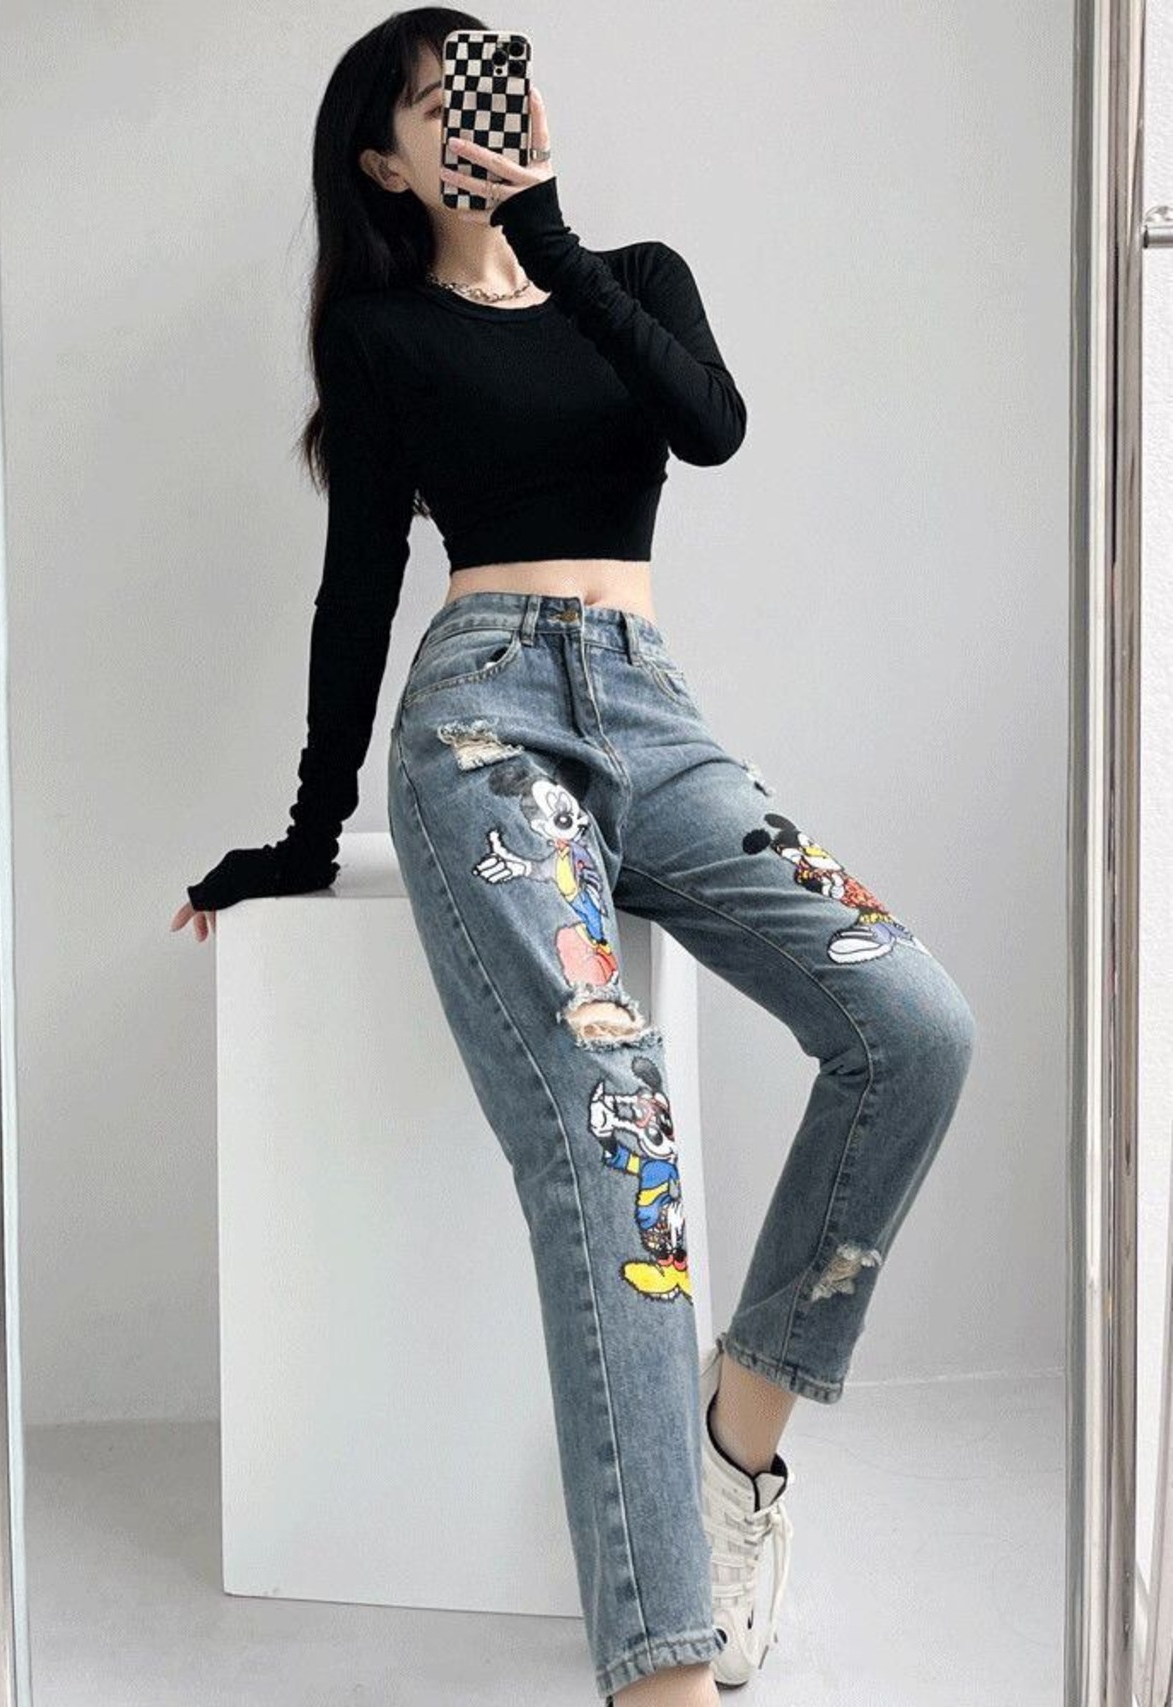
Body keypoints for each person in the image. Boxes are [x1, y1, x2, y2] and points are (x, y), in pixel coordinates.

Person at [169, 13, 978, 1705]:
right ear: (386, 161)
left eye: (495, 79)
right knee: (618, 1144)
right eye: (432, 101)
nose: (480, 112)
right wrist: (309, 831)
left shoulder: (636, 275)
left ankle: (737, 1442)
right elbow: (356, 584)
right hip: (483, 719)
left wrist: (548, 235)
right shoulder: (383, 335)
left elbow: (712, 426)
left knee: (914, 1024)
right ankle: (664, 1674)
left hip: (655, 715)